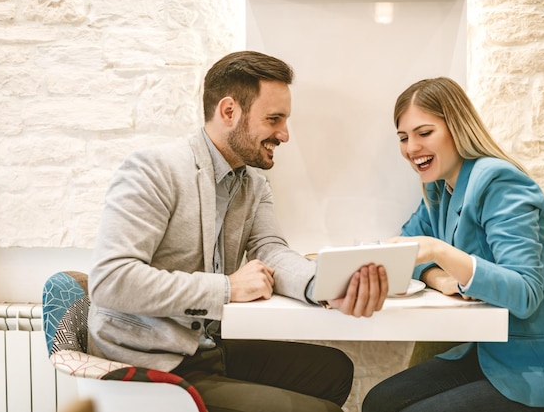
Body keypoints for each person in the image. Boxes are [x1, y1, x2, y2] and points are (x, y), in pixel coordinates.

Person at [87, 50, 389, 412]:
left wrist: (323, 285)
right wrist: (227, 288)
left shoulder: (253, 185)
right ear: (229, 112)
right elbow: (111, 280)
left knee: (335, 370)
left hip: (203, 347)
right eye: (274, 119)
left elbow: (271, 250)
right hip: (151, 364)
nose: (285, 134)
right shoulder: (154, 170)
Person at [362, 77, 544, 412]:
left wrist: (439, 251)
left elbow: (525, 293)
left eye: (424, 133)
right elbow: (408, 250)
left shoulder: (500, 182)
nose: (411, 148)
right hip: (486, 352)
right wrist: (441, 277)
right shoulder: (438, 189)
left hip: (539, 368)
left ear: (457, 127)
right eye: (403, 137)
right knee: (378, 401)